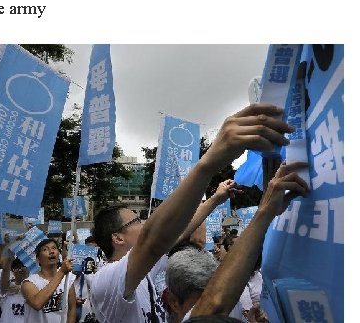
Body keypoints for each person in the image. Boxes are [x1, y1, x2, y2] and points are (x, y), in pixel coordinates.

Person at [90, 103, 294, 323]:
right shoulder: (105, 282)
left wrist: (215, 199)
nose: (144, 223)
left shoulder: (141, 274)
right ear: (118, 237)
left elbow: (176, 232)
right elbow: (153, 240)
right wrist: (208, 163)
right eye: (137, 220)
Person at [190, 161, 309, 319]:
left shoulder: (258, 275)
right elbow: (214, 305)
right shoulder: (203, 308)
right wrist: (265, 211)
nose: (218, 250)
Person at [21, 238, 77, 323]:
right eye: (45, 249)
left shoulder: (68, 278)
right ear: (38, 259)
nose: (51, 251)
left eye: (54, 248)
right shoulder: (29, 283)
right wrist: (61, 271)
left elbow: (72, 308)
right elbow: (37, 303)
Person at [0, 255, 29, 323]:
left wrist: (23, 286)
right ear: (12, 271)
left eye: (22, 266)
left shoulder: (34, 286)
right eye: (17, 267)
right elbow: (4, 288)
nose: (20, 269)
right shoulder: (8, 287)